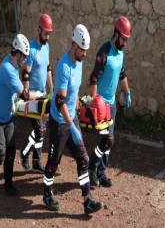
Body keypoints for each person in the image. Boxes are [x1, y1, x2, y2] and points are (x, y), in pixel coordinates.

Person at [43, 24, 103, 215]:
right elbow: (60, 101)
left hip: (72, 117)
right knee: (54, 161)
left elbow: (72, 94)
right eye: (82, 50)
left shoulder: (80, 61)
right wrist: (72, 126)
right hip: (60, 121)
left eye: (86, 50)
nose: (85, 54)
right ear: (73, 45)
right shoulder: (63, 66)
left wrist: (80, 104)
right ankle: (46, 192)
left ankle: (87, 201)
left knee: (83, 159)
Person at [0, 33, 43, 196]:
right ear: (17, 54)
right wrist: (39, 94)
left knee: (10, 152)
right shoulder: (8, 69)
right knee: (0, 154)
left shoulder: (12, 62)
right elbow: (24, 95)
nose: (25, 60)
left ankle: (8, 185)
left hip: (7, 116)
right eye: (23, 57)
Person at [88, 16, 132, 188]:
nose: (125, 43)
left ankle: (101, 172)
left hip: (112, 104)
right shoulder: (104, 52)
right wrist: (94, 101)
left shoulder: (120, 53)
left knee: (109, 142)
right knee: (108, 139)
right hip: (101, 104)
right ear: (117, 34)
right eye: (124, 39)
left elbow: (122, 73)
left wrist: (127, 92)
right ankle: (92, 168)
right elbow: (93, 78)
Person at [20, 14, 53, 174]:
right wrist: (26, 94)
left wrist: (51, 88)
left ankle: (36, 161)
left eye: (49, 34)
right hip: (33, 96)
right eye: (45, 33)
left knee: (42, 130)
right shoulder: (31, 50)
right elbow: (25, 74)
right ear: (39, 29)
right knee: (39, 130)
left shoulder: (46, 47)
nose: (47, 36)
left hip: (44, 95)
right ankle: (25, 153)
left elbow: (47, 68)